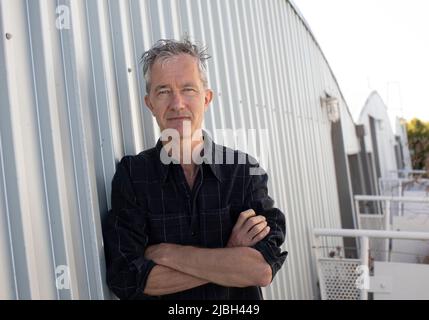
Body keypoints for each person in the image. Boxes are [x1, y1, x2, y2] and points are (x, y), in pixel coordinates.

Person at [103, 38, 287, 300]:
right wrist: (230, 253)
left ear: (207, 98)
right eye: (164, 91)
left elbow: (261, 269)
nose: (177, 103)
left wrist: (167, 254)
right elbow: (128, 279)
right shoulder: (133, 175)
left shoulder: (244, 171)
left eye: (188, 89)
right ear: (149, 103)